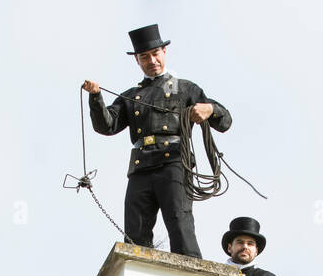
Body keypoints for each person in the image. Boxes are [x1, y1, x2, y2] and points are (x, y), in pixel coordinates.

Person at [82, 24, 232, 258]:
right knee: (135, 229)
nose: (151, 60)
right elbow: (106, 125)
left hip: (173, 163)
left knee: (179, 222)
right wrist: (95, 97)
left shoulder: (186, 88)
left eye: (155, 54)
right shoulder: (130, 96)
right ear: (137, 61)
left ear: (164, 52)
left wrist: (210, 109)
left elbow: (225, 121)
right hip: (141, 166)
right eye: (145, 57)